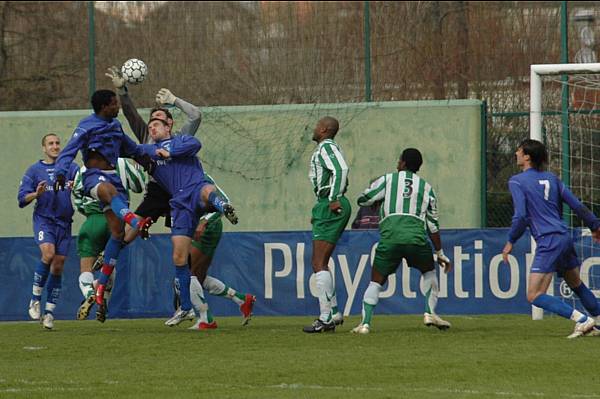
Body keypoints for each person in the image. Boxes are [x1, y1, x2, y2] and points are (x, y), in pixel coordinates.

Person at [53, 89, 153, 314]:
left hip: (114, 177)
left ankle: (99, 291)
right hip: (93, 177)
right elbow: (69, 151)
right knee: (109, 192)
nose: (118, 106)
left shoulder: (116, 127)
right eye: (115, 103)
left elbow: (133, 149)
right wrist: (60, 171)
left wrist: (155, 153)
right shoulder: (87, 125)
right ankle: (134, 221)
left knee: (117, 235)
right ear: (104, 107)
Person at [136, 116, 239, 327]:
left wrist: (170, 152)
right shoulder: (149, 151)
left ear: (168, 127)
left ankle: (222, 206)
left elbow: (196, 142)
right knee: (180, 258)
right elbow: (131, 149)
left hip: (198, 199)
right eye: (150, 126)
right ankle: (187, 308)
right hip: (180, 204)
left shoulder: (181, 142)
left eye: (157, 124)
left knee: (206, 189)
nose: (152, 128)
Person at [502, 139, 600, 339]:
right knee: (575, 283)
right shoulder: (553, 179)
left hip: (548, 240)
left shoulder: (517, 181)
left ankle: (583, 321)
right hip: (564, 237)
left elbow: (521, 216)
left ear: (527, 156)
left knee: (534, 294)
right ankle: (597, 318)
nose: (516, 153)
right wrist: (595, 226)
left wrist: (511, 240)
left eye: (519, 150)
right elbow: (577, 205)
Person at [351, 148, 452, 334]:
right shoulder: (427, 188)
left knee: (376, 281)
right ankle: (429, 312)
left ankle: (365, 324)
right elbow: (432, 224)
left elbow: (364, 199)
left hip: (390, 239)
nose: (397, 163)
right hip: (416, 238)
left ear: (403, 163)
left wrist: (376, 201)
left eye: (399, 160)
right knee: (429, 272)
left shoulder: (388, 179)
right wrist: (439, 252)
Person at [173, 173, 256, 330]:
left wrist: (204, 221)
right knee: (199, 277)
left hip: (207, 228)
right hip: (194, 226)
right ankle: (242, 299)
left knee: (189, 274)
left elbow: (224, 200)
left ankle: (206, 319)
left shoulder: (198, 175)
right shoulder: (173, 177)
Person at [73, 158, 146, 322]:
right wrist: (138, 169)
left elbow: (77, 196)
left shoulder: (85, 167)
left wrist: (88, 213)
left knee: (86, 268)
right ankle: (102, 301)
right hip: (117, 219)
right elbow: (139, 185)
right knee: (109, 263)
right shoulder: (121, 163)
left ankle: (91, 293)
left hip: (93, 218)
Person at [17, 133, 79, 329]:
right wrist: (36, 194)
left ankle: (49, 313)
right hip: (44, 221)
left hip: (64, 223)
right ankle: (35, 299)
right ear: (44, 148)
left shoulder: (71, 168)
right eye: (50, 143)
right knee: (48, 253)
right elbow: (21, 199)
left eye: (57, 143)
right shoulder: (35, 170)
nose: (55, 146)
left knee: (58, 265)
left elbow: (84, 182)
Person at [303, 116, 350, 333]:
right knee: (322, 261)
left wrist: (332, 198)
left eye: (316, 126)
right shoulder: (327, 147)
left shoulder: (326, 147)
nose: (314, 129)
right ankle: (334, 311)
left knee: (317, 262)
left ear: (323, 129)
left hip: (330, 202)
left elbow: (341, 169)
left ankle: (326, 317)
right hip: (325, 204)